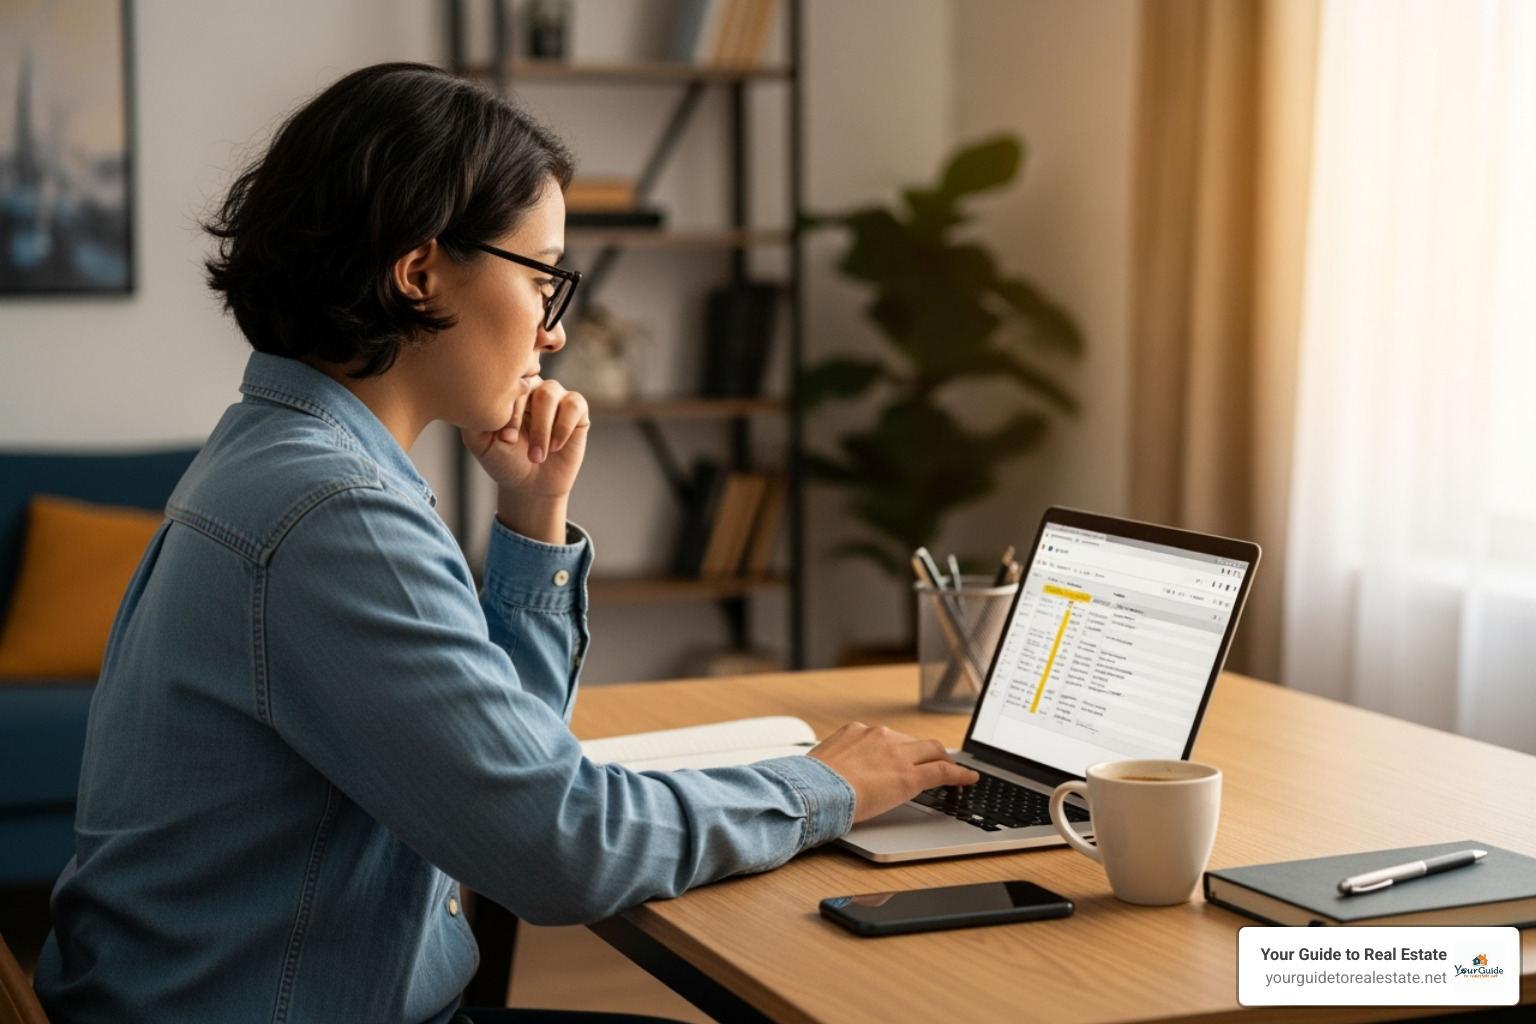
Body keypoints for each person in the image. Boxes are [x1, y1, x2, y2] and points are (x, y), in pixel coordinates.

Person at [32, 62, 976, 1024]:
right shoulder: (336, 513)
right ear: (420, 274)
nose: (554, 333)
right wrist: (823, 786)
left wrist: (533, 509)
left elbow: (502, 767)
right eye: (542, 278)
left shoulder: (275, 454)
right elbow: (565, 850)